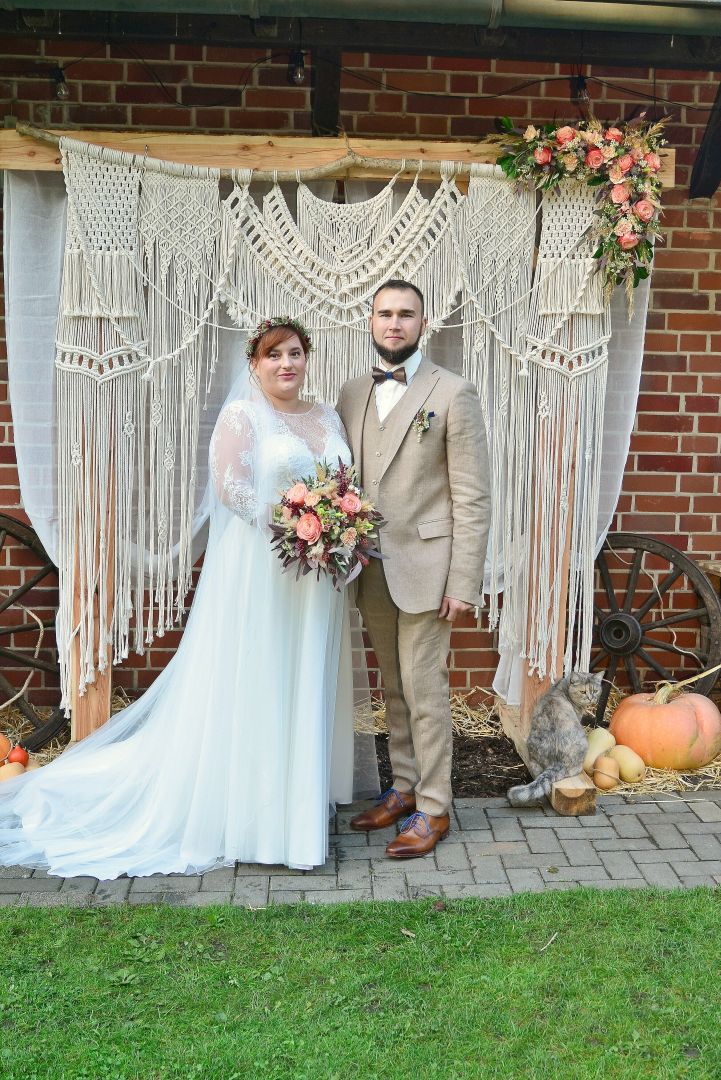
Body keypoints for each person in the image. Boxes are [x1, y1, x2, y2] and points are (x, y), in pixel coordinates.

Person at [0, 317, 376, 878]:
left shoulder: (325, 415)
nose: (286, 364)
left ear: (308, 358)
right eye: (274, 355)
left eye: (295, 353)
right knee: (259, 678)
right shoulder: (242, 416)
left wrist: (336, 527)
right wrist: (300, 523)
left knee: (302, 676)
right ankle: (254, 818)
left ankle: (296, 804)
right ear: (255, 363)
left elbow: (344, 483)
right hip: (262, 569)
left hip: (316, 577)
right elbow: (232, 487)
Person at [337, 280, 490, 858]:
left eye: (406, 314)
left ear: (423, 323)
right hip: (370, 566)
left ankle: (433, 809)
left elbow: (472, 497)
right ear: (370, 322)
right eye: (385, 314)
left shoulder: (453, 393)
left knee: (425, 690)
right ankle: (402, 789)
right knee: (393, 688)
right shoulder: (351, 393)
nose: (394, 324)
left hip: (429, 567)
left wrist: (464, 581)